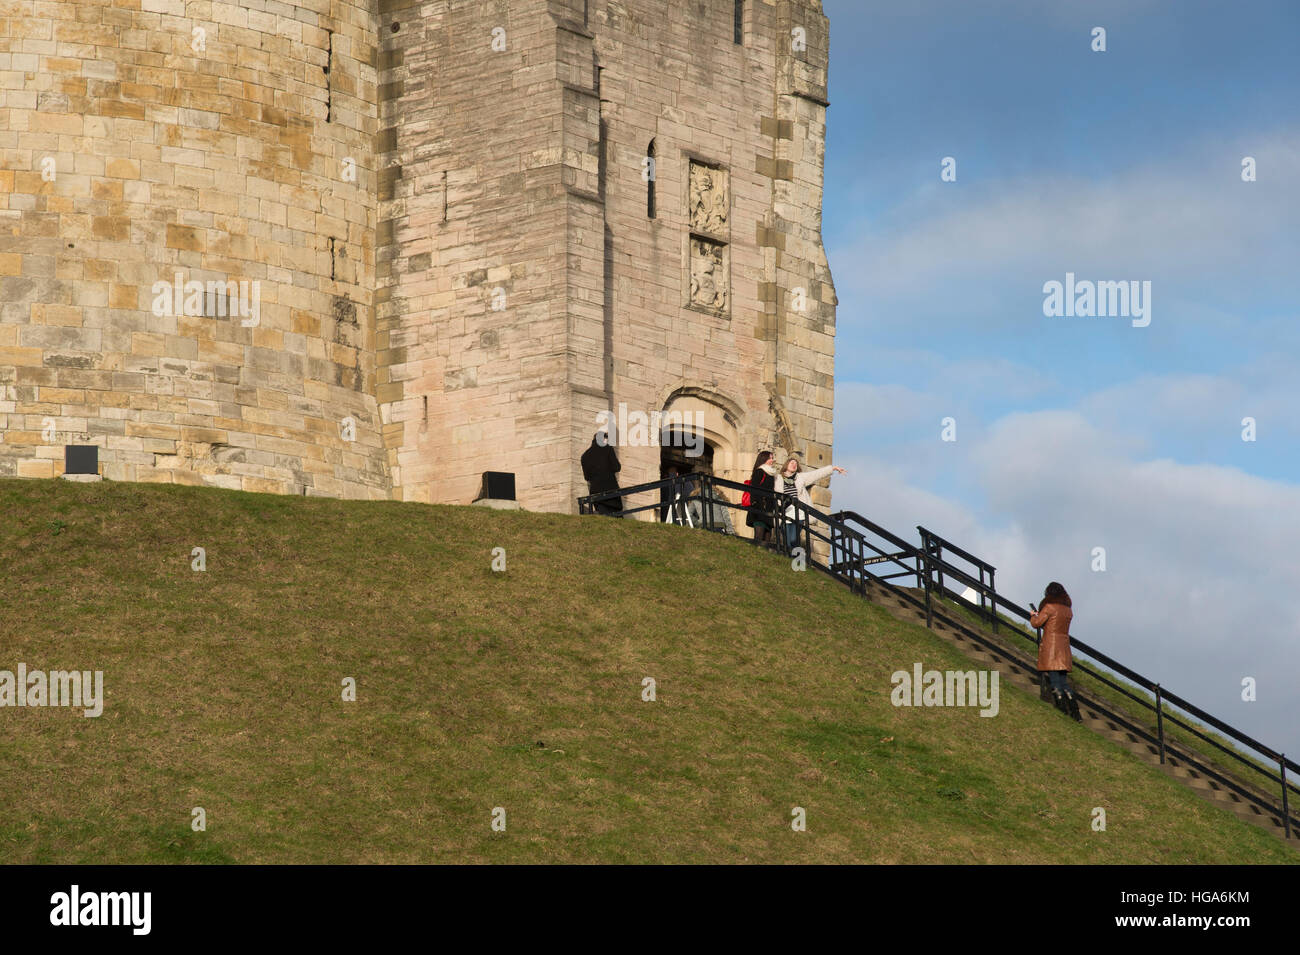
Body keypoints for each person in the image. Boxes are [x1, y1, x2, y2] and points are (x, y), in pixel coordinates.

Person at [762, 454, 846, 553]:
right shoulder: (777, 478)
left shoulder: (800, 477)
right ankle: (790, 562)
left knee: (793, 539)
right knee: (786, 540)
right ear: (786, 465)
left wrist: (833, 468)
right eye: (792, 462)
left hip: (799, 514)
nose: (794, 464)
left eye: (796, 464)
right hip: (784, 512)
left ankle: (795, 560)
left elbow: (816, 474)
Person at [1029, 582, 1081, 721]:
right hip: (1063, 647)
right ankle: (1076, 712)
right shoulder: (1068, 610)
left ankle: (1062, 708)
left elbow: (1037, 623)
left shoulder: (1049, 607)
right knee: (1064, 682)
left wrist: (1033, 615)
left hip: (1051, 646)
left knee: (1054, 680)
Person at [581, 431, 623, 516]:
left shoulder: (585, 456)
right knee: (616, 518)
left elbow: (587, 477)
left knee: (603, 517)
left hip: (596, 492)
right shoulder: (607, 448)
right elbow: (617, 467)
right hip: (610, 490)